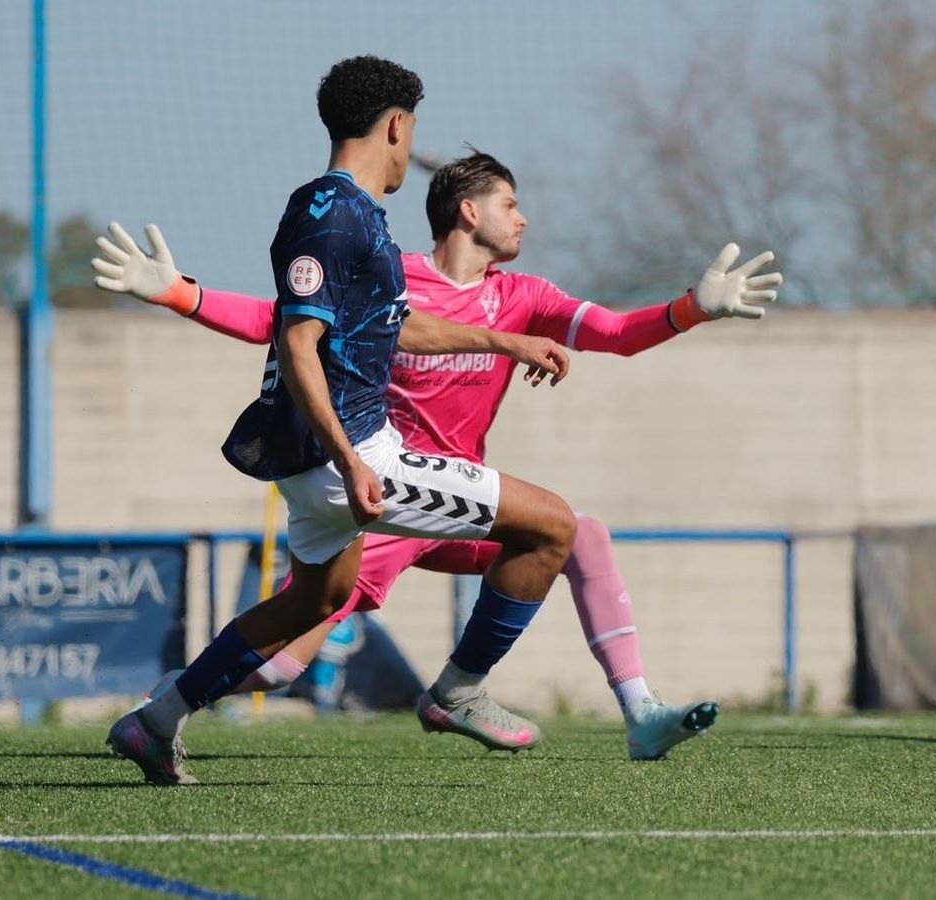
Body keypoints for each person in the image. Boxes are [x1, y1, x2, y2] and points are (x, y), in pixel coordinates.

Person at [95, 150, 782, 760]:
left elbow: (616, 334)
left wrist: (693, 308)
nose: (524, 220)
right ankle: (163, 706)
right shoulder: (395, 278)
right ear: (467, 210)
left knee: (576, 533)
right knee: (280, 668)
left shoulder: (524, 296)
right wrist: (180, 293)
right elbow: (278, 322)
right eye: (510, 204)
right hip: (375, 492)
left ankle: (638, 715)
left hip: (452, 504)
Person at [104, 57, 582, 786]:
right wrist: (355, 463)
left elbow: (393, 330)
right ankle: (457, 691)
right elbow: (297, 347)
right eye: (411, 130)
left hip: (333, 459)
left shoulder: (355, 215)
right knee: (552, 525)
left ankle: (159, 718)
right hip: (351, 457)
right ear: (396, 126)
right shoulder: (329, 215)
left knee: (317, 599)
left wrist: (502, 340)